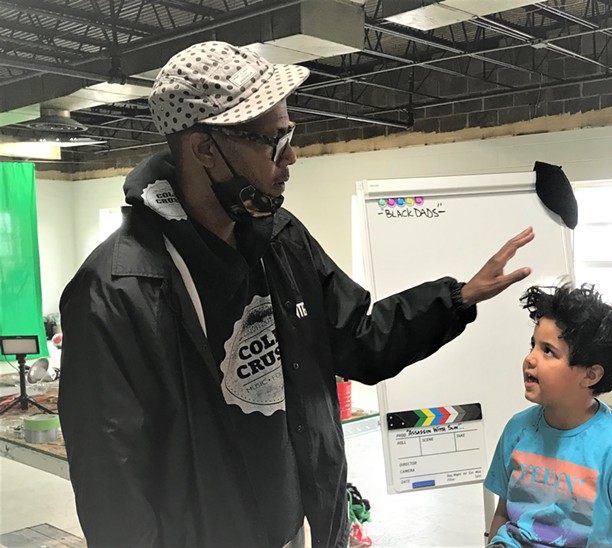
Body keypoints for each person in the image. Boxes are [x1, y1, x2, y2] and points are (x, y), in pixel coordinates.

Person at [58, 41, 535, 548]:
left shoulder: (281, 239)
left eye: (290, 132)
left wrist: (456, 299)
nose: (292, 155)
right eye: (273, 139)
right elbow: (113, 484)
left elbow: (356, 338)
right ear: (204, 150)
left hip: (305, 524)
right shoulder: (115, 291)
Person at [484, 284, 612, 547]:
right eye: (533, 345)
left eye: (548, 351)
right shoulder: (518, 429)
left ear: (591, 375)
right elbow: (504, 515)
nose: (530, 358)